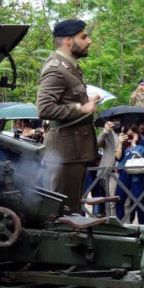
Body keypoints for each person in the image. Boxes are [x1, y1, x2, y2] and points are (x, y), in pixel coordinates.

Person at [37, 18, 100, 214]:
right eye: (83, 37)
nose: (88, 41)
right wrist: (81, 108)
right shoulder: (56, 69)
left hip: (73, 151)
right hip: (65, 153)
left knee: (72, 210)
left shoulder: (69, 67)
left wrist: (85, 103)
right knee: (62, 213)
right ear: (67, 41)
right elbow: (44, 109)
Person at [114, 126, 144, 223]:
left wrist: (134, 143)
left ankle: (142, 225)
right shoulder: (123, 144)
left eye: (132, 134)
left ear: (136, 133)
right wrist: (120, 143)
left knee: (138, 201)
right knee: (119, 199)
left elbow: (143, 153)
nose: (129, 136)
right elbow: (117, 158)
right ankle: (122, 224)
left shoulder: (142, 143)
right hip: (124, 173)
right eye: (127, 134)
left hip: (137, 174)